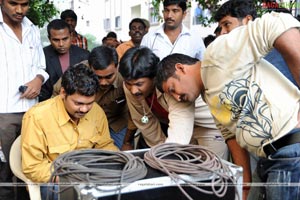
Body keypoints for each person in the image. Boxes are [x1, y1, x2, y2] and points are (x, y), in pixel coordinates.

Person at [155, 12, 300, 200]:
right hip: (268, 160)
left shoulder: (215, 55)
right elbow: (231, 136)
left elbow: (275, 25)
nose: (177, 97)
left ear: (181, 68)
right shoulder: (209, 97)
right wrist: (245, 182)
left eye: (173, 89)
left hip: (290, 149)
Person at [22, 63, 118, 198]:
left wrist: (118, 164)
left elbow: (104, 146)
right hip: (55, 181)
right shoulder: (37, 117)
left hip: (89, 177)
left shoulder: (97, 112)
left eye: (89, 103)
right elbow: (33, 167)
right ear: (63, 93)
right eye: (78, 103)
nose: (84, 109)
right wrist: (73, 179)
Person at [119, 47, 228, 159]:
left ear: (154, 78)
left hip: (207, 127)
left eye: (139, 84)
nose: (133, 90)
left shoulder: (171, 87)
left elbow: (180, 130)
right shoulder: (131, 87)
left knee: (212, 168)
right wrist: (160, 155)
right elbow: (146, 124)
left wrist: (166, 156)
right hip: (181, 130)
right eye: (128, 84)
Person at [0, 0, 49, 199]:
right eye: (13, 3)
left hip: (32, 113)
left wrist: (38, 80)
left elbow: (41, 68)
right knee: (3, 172)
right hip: (3, 115)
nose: (20, 10)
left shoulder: (32, 29)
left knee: (29, 168)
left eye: (25, 4)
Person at [52, 46, 137, 149]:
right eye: (98, 77)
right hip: (82, 120)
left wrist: (127, 142)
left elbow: (135, 113)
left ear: (117, 67)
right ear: (90, 67)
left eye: (109, 77)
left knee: (118, 157)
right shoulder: (77, 73)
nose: (103, 82)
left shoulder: (126, 79)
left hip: (116, 124)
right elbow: (57, 98)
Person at [214, 0, 298, 88]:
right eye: (220, 28)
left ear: (248, 20)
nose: (222, 32)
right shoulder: (231, 60)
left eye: (227, 24)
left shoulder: (279, 46)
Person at [39, 19, 89, 102]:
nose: (61, 44)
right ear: (49, 39)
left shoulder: (84, 56)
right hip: (49, 105)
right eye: (56, 40)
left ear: (71, 36)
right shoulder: (42, 55)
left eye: (65, 39)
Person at [141, 0, 206, 61]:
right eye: (166, 10)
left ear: (184, 14)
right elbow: (142, 66)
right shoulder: (149, 38)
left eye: (175, 11)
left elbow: (203, 66)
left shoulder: (195, 39)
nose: (169, 15)